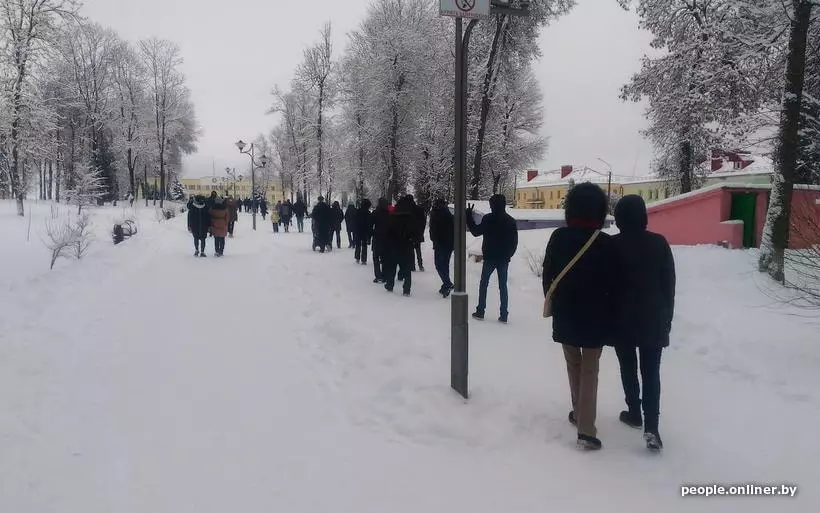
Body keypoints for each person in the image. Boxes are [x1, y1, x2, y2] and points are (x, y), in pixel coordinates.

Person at [542, 183, 615, 451]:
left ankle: (578, 411)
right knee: (590, 368)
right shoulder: (605, 242)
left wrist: (554, 302)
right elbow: (614, 282)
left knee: (573, 363)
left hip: (567, 312)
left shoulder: (558, 237)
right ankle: (586, 427)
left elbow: (547, 273)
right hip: (596, 315)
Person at [609, 195, 675, 452]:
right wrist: (666, 317)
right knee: (651, 372)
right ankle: (652, 427)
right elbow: (668, 284)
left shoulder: (612, 245)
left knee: (627, 366)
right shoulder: (659, 243)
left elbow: (606, 285)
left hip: (621, 318)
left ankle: (634, 411)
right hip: (653, 318)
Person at [466, 194, 518, 323]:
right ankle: (504, 314)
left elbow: (476, 232)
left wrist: (469, 217)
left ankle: (480, 311)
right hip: (504, 259)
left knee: (484, 284)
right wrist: (508, 255)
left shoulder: (488, 219)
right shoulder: (510, 221)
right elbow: (514, 242)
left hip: (490, 258)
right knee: (503, 286)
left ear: (492, 205)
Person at [383, 196, 415, 296]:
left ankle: (389, 284)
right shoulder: (410, 215)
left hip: (394, 244)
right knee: (407, 268)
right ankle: (406, 289)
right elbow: (413, 230)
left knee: (392, 266)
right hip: (406, 244)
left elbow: (388, 230)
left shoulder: (393, 214)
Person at [429, 198, 454, 297]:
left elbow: (433, 229)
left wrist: (433, 239)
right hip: (449, 244)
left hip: (440, 243)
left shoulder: (436, 214)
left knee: (439, 265)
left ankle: (447, 283)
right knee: (445, 265)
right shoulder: (448, 214)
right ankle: (446, 284)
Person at [371, 198, 390, 283]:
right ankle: (385, 275)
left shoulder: (375, 212)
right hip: (387, 237)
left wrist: (372, 233)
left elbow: (371, 224)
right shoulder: (389, 212)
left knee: (376, 257)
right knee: (385, 257)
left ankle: (378, 275)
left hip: (377, 236)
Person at [409, 195, 426, 272]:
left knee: (411, 250)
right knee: (418, 249)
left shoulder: (408, 210)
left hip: (410, 233)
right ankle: (420, 265)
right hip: (418, 232)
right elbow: (423, 221)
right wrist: (421, 231)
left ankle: (412, 266)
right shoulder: (419, 209)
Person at [354, 199, 373, 265]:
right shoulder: (368, 213)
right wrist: (370, 234)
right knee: (364, 245)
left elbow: (355, 222)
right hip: (365, 231)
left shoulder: (357, 211)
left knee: (358, 245)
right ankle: (364, 260)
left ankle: (357, 258)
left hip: (358, 230)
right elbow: (370, 224)